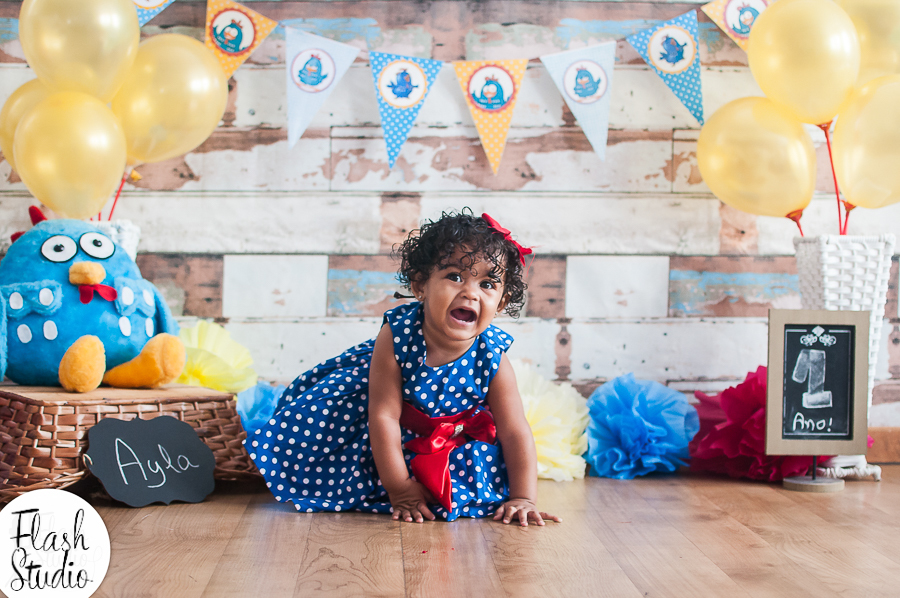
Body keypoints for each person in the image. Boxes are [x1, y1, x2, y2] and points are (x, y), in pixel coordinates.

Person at [245, 210, 561, 526]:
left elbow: (514, 430)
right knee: (337, 447)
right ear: (421, 285)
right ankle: (395, 486)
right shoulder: (398, 335)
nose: (470, 292)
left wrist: (523, 497)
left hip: (453, 441)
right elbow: (383, 416)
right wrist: (399, 489)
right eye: (455, 277)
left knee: (479, 480)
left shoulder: (492, 355)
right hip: (389, 440)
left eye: (487, 283)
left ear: (501, 303)